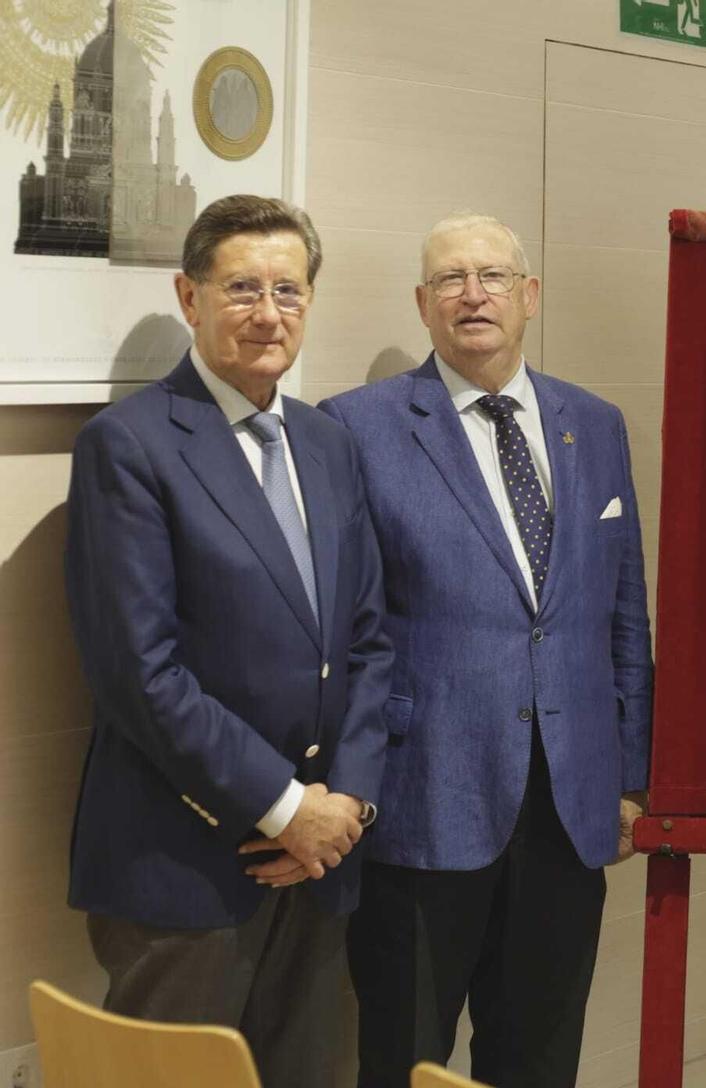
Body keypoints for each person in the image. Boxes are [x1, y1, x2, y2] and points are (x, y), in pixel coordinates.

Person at [63, 195, 392, 1088]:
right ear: (188, 296)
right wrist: (286, 808)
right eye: (241, 287)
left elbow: (367, 642)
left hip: (322, 868)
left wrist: (346, 807)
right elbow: (139, 675)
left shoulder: (328, 444)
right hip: (184, 867)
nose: (267, 313)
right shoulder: (127, 448)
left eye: (288, 290)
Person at [321, 212, 654, 1088]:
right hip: (423, 799)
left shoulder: (597, 423)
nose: (473, 296)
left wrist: (631, 774)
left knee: (540, 1061)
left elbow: (624, 614)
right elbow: (343, 632)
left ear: (529, 296)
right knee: (403, 1058)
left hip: (569, 809)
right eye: (451, 281)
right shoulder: (356, 428)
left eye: (493, 277)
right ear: (423, 305)